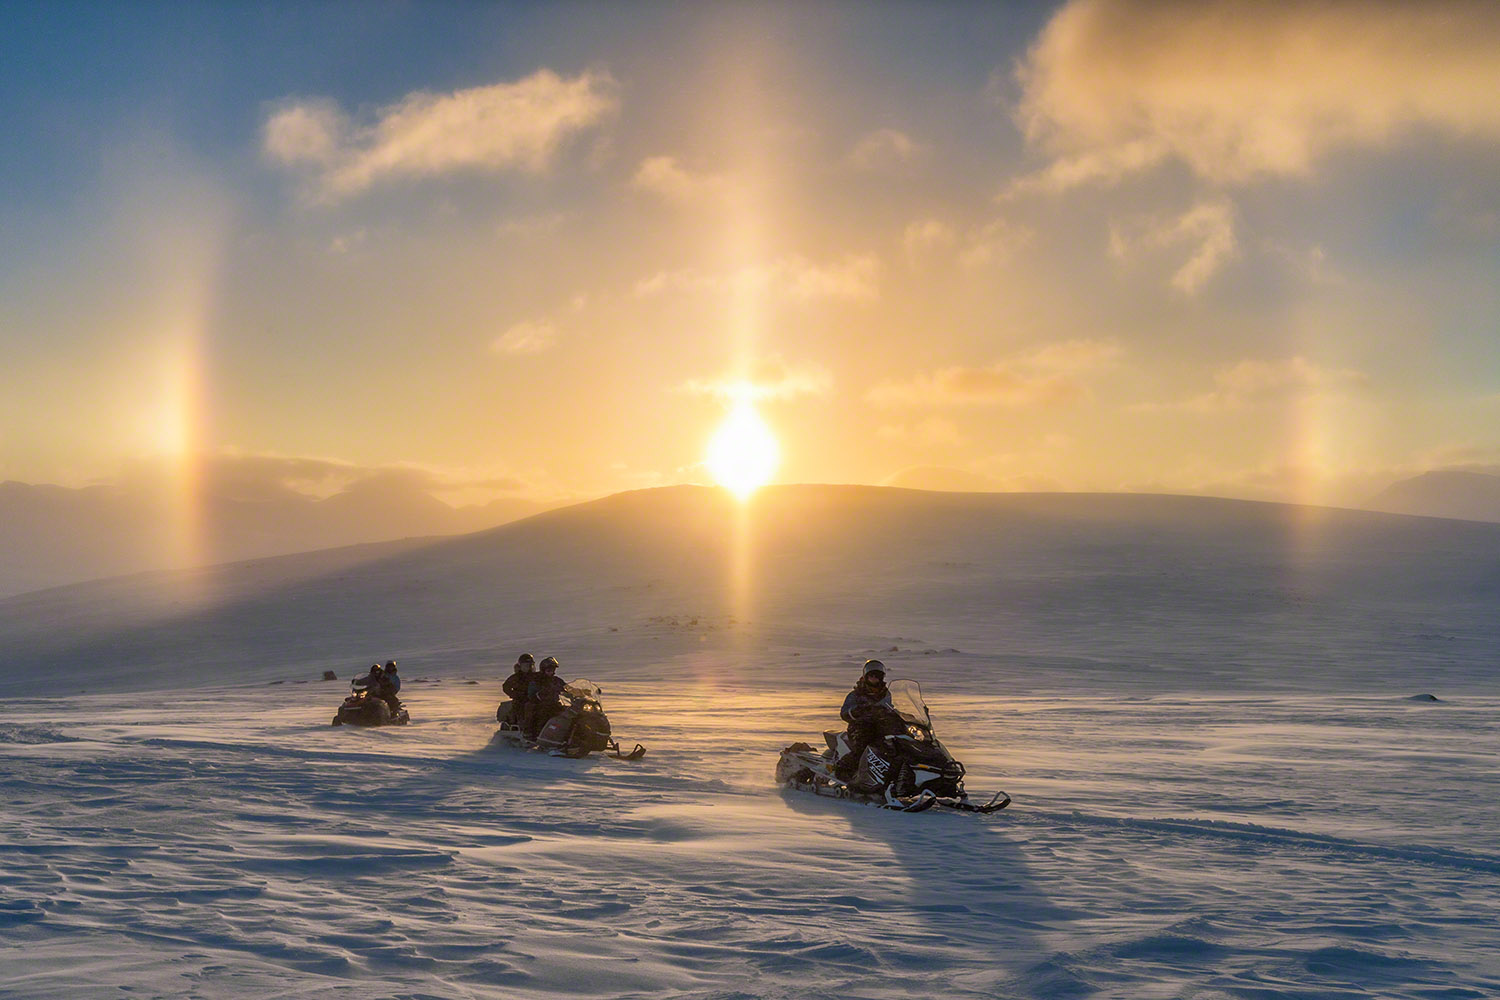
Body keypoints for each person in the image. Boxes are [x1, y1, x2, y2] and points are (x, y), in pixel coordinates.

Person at [834, 660, 893, 780]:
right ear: (866, 677)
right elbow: (844, 713)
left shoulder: (886, 694)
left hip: (882, 727)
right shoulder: (856, 694)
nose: (874, 678)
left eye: (877, 676)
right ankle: (842, 770)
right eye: (871, 675)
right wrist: (858, 711)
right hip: (860, 728)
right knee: (863, 748)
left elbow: (893, 707)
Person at [524, 656, 566, 739]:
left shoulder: (556, 680)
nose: (551, 672)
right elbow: (531, 693)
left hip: (554, 703)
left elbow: (566, 688)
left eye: (553, 670)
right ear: (543, 670)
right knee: (541, 713)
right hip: (541, 704)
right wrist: (539, 695)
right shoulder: (537, 680)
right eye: (549, 670)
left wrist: (580, 691)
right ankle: (532, 734)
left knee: (567, 713)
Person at [501, 653, 535, 726]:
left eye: (530, 665)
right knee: (523, 709)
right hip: (521, 701)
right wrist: (516, 695)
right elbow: (506, 687)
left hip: (534, 699)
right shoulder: (516, 677)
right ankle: (524, 727)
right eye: (526, 665)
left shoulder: (536, 676)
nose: (528, 667)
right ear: (520, 666)